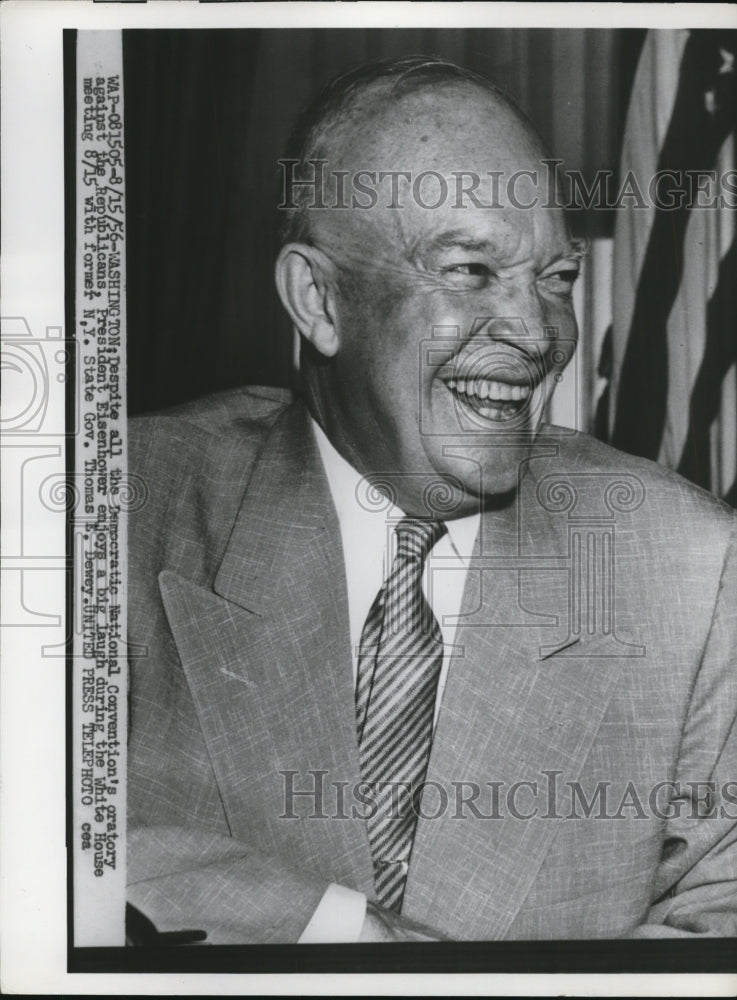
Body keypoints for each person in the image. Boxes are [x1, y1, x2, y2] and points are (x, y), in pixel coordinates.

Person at [125, 56, 737, 943]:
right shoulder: (110, 513)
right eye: (469, 273)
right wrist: (340, 937)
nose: (535, 335)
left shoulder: (689, 561)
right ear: (319, 299)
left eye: (555, 279)